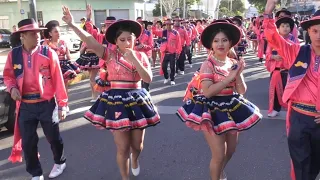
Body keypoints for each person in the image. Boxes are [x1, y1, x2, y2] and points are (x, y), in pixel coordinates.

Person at [61, 5, 160, 180]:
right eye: (122, 40)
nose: (127, 43)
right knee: (122, 147)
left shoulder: (142, 56)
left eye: (130, 39)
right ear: (116, 41)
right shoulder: (109, 54)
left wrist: (135, 59)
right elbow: (90, 40)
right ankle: (125, 177)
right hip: (116, 101)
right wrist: (72, 24)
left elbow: (148, 79)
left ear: (135, 39)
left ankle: (135, 159)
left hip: (137, 99)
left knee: (138, 146)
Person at [176, 19, 262, 180]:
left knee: (231, 150)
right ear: (211, 44)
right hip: (212, 109)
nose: (220, 44)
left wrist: (239, 74)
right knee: (218, 154)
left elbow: (241, 90)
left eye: (224, 40)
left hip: (231, 106)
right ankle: (216, 175)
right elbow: (207, 92)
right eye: (216, 41)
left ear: (230, 43)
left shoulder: (233, 62)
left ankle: (219, 171)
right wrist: (229, 77)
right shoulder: (207, 64)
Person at [4, 18, 68, 180]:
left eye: (38, 32)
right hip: (25, 105)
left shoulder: (48, 53)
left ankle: (59, 162)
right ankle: (36, 172)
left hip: (46, 104)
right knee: (28, 143)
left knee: (54, 138)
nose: (38, 36)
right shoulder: (14, 55)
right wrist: (12, 88)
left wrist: (62, 105)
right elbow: (8, 76)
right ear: (22, 36)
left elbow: (58, 80)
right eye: (33, 33)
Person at [264, 0, 320, 179]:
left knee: (314, 166)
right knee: (301, 168)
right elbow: (273, 38)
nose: (319, 35)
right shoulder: (296, 51)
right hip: (299, 118)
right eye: (315, 30)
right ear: (308, 33)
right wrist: (267, 14)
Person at [42, 20, 80, 113]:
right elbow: (43, 57)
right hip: (51, 67)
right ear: (50, 33)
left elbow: (68, 55)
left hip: (63, 66)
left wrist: (71, 64)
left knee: (64, 87)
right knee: (53, 87)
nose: (58, 33)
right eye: (56, 31)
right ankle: (56, 106)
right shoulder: (45, 44)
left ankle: (64, 104)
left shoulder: (63, 42)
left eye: (59, 31)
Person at [265, 16, 298, 117]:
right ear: (277, 29)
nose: (285, 28)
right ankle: (275, 109)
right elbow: (267, 55)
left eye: (287, 26)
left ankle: (292, 109)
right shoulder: (273, 41)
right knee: (274, 92)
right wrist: (273, 56)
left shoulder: (294, 41)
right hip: (276, 71)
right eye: (282, 26)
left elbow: (297, 54)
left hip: (289, 71)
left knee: (290, 91)